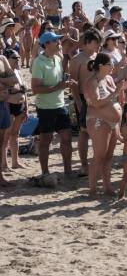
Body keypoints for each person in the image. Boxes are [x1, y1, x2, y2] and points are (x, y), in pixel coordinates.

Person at [30, 31, 77, 177]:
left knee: (67, 136)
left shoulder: (58, 58)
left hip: (59, 104)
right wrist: (59, 87)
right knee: (46, 139)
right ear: (47, 44)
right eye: (55, 41)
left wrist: (67, 82)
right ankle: (45, 172)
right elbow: (35, 89)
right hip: (45, 107)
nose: (59, 43)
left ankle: (68, 171)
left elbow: (59, 81)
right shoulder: (39, 62)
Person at [84, 53, 127, 197]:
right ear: (101, 66)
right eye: (111, 64)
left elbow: (116, 101)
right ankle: (92, 189)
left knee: (108, 156)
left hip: (112, 121)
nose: (113, 67)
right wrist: (116, 92)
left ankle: (107, 187)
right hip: (98, 120)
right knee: (99, 156)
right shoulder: (92, 81)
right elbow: (97, 102)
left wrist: (120, 91)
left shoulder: (108, 78)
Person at [68, 28, 101, 177]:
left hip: (98, 98)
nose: (98, 45)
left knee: (98, 132)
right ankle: (83, 165)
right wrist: (78, 103)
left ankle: (96, 163)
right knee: (84, 133)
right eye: (96, 42)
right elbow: (73, 84)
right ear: (87, 42)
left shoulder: (98, 57)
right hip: (83, 98)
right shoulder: (77, 59)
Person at [2, 50, 27, 173]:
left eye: (18, 57)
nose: (17, 59)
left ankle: (15, 162)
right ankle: (4, 163)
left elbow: (24, 90)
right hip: (9, 105)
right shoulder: (5, 74)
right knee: (6, 136)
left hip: (20, 105)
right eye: (14, 57)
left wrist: (26, 108)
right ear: (7, 59)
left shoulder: (17, 71)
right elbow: (6, 92)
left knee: (15, 135)